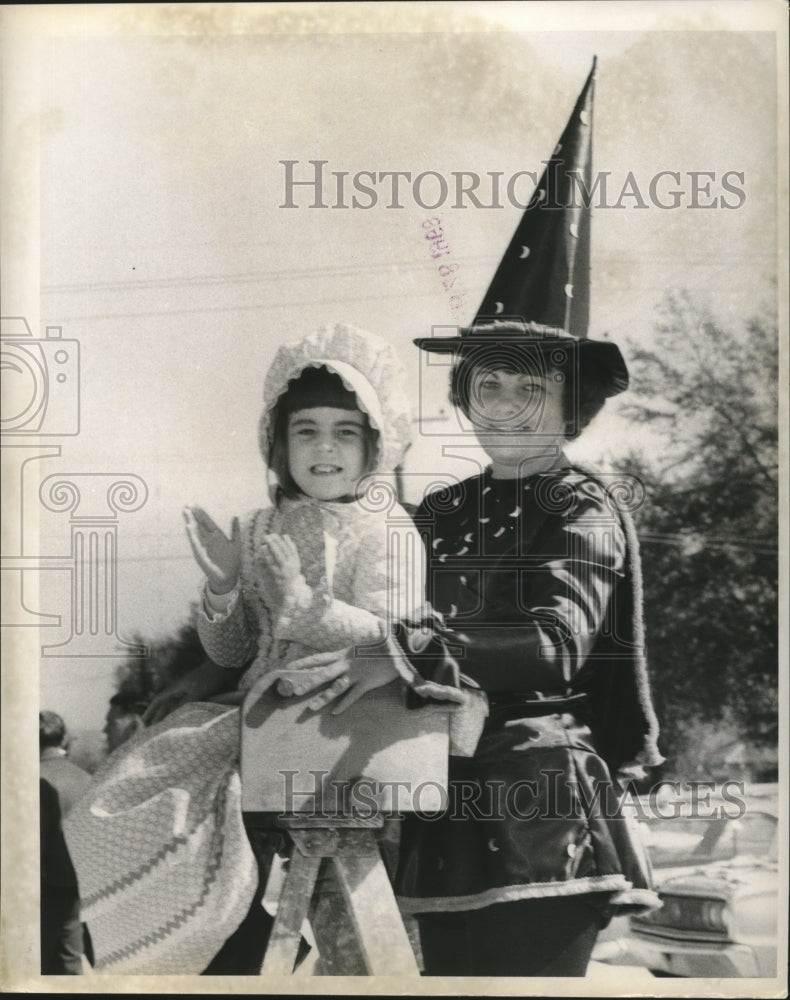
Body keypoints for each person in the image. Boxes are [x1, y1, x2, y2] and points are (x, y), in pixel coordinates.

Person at [63, 323, 461, 975]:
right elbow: (235, 648)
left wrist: (311, 609)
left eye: (344, 432)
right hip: (262, 716)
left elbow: (390, 635)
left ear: (375, 444)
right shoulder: (263, 526)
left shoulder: (384, 528)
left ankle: (235, 922)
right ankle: (182, 926)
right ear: (278, 442)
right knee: (129, 793)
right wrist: (224, 585)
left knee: (279, 863)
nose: (324, 449)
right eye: (306, 431)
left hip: (340, 714)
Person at [39, 711, 92, 974]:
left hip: (43, 888)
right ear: (63, 739)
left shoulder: (29, 781)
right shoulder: (86, 778)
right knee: (71, 962)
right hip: (82, 886)